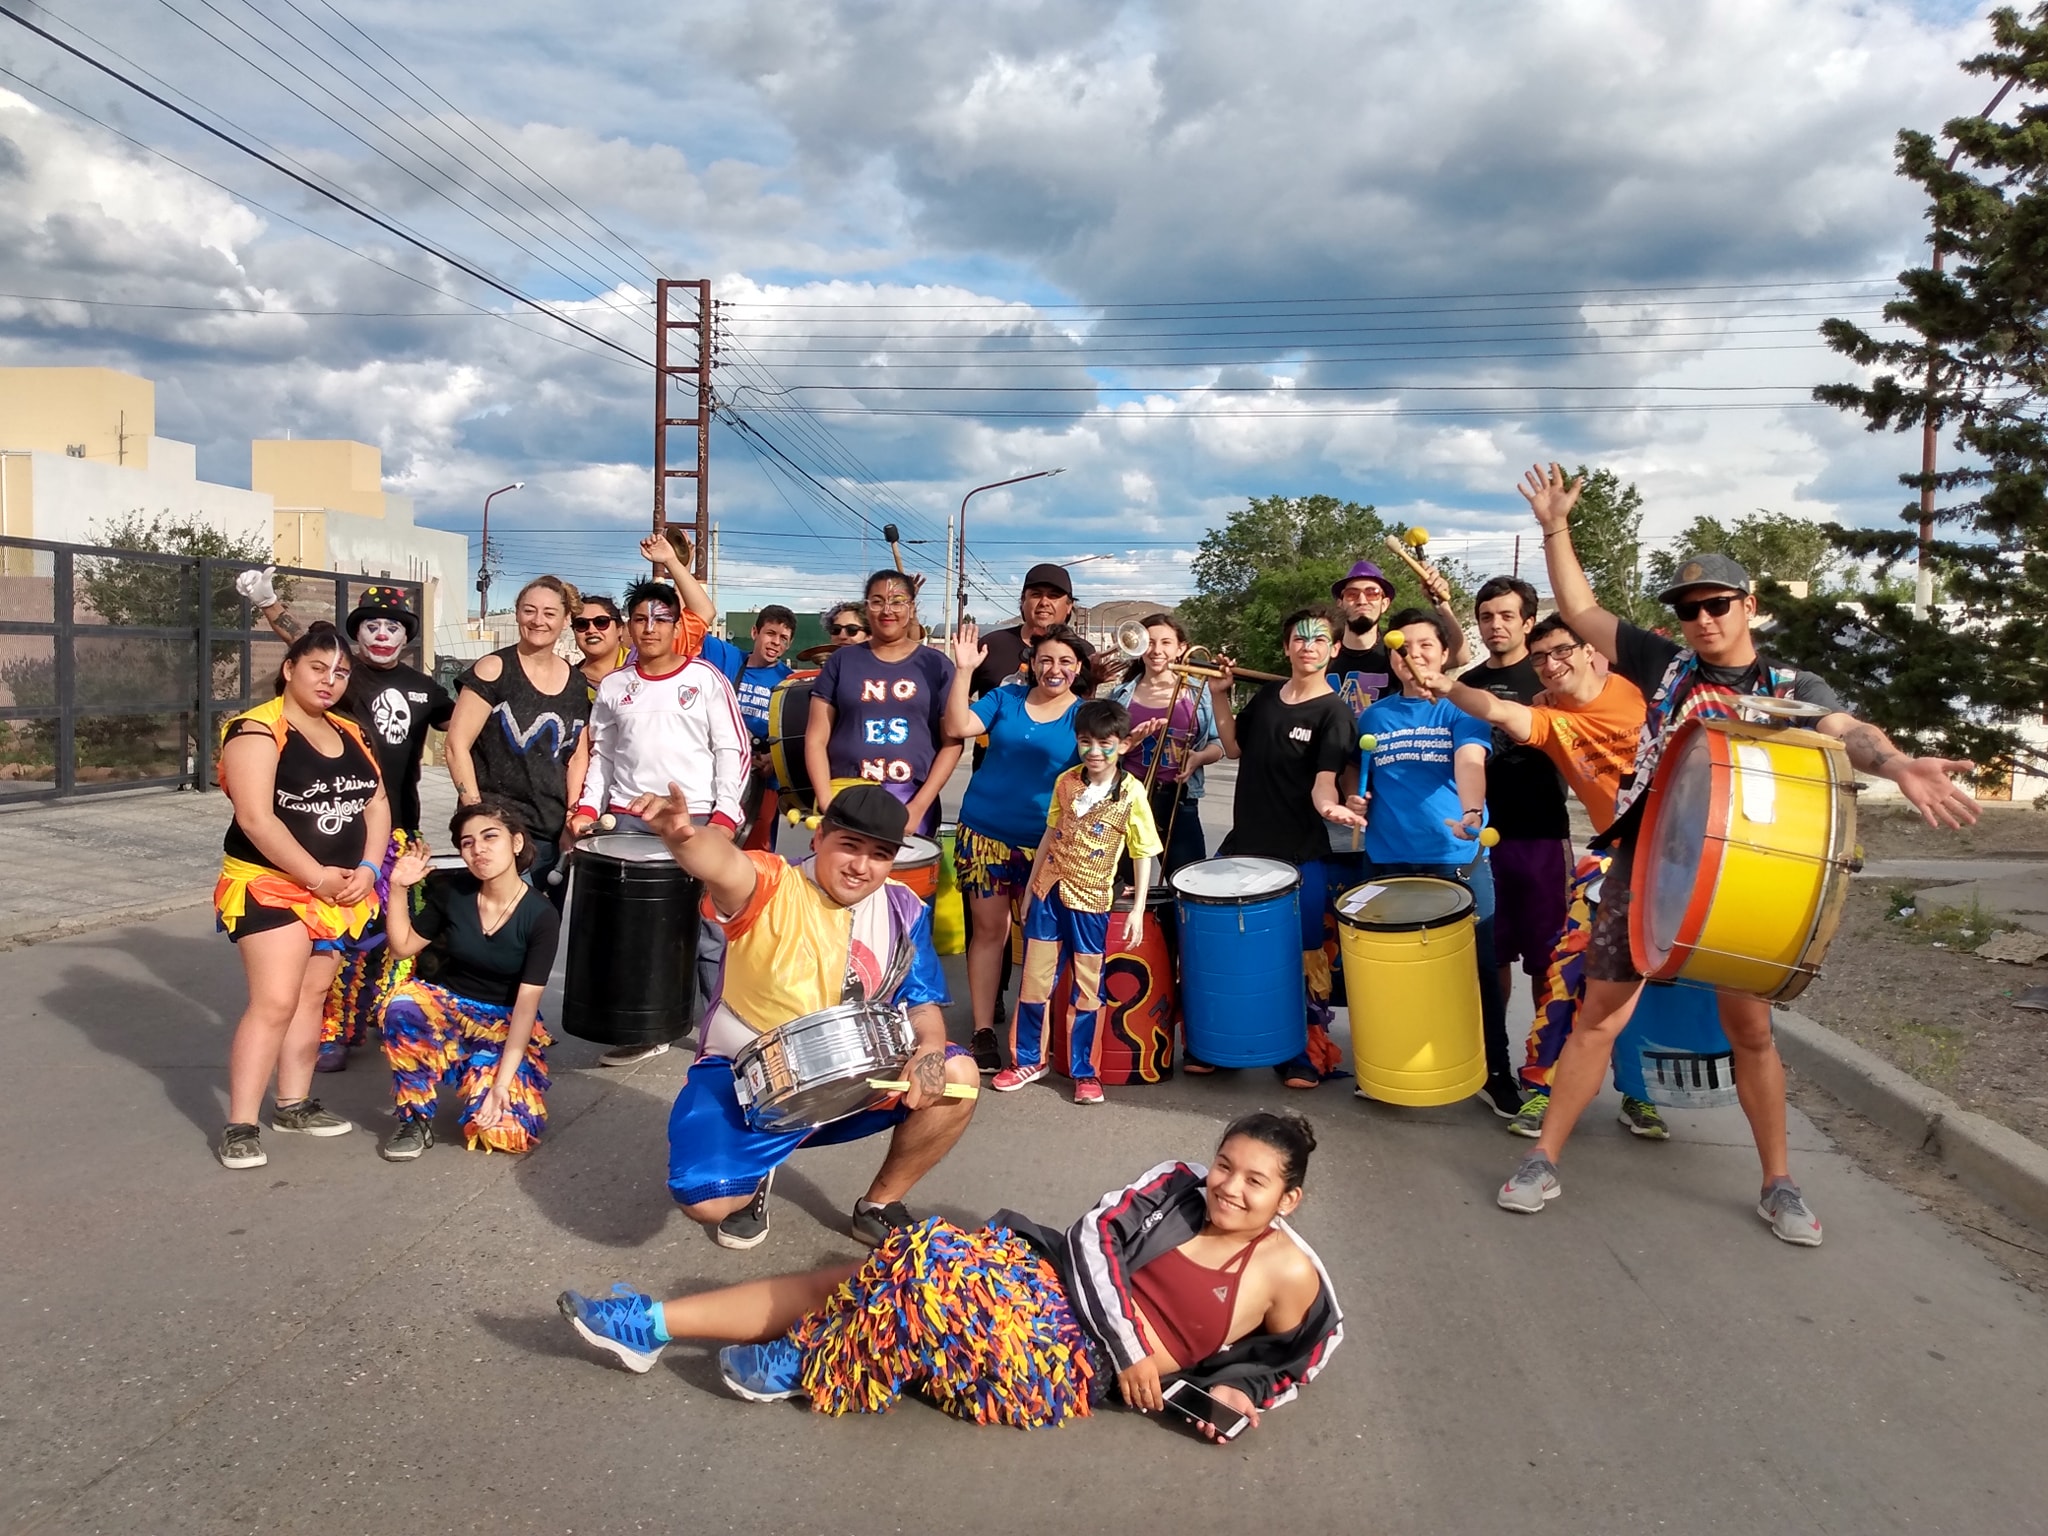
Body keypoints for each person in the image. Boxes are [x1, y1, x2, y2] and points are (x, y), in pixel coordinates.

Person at [1498, 463, 1981, 1245]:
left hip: (1733, 880)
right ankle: (1544, 1158)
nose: (1701, 618)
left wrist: (1895, 765)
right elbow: (1581, 610)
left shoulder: (1789, 684)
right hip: (1643, 864)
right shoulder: (1664, 665)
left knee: (1750, 1032)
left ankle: (1779, 1182)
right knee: (1597, 1021)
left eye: (1716, 604)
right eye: (1688, 608)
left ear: (1748, 605)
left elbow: (1845, 733)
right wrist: (1555, 527)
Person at [556, 1110, 1342, 1438]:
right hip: (1042, 1288)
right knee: (871, 1271)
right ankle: (653, 1326)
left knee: (922, 1267)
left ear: (1288, 1198)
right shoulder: (1175, 1182)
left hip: (1063, 1366)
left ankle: (809, 1359)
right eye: (1225, 1165)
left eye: (1255, 1182)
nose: (1229, 1188)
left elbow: (1308, 1352)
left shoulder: (1286, 1272)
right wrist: (1137, 1340)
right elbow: (1095, 1243)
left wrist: (1245, 1390)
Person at [635, 781, 978, 1251]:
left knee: (960, 1077)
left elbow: (921, 1002)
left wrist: (932, 1052)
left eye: (879, 854)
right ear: (819, 839)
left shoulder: (903, 907)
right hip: (746, 1074)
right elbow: (725, 864)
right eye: (849, 846)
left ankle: (879, 1204)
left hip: (858, 1072)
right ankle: (752, 1180)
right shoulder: (772, 882)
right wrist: (684, 838)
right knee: (707, 1201)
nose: (861, 866)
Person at [1417, 613, 1664, 1137]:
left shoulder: (1642, 689)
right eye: (1541, 658)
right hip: (1614, 860)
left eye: (1562, 651)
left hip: (1679, 859)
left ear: (1590, 650)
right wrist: (1446, 686)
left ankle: (1641, 1096)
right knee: (1567, 972)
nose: (1552, 665)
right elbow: (1499, 710)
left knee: (1657, 986)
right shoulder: (1548, 714)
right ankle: (1542, 1089)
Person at [236, 573, 457, 1072]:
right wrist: (270, 603)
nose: (382, 634)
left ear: (407, 636)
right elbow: (301, 643)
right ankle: (332, 1031)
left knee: (399, 936)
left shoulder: (426, 689)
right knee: (336, 942)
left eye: (393, 626)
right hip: (336, 837)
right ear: (357, 634)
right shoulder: (342, 677)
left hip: (401, 834)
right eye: (372, 625)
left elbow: (468, 725)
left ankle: (388, 1014)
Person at [212, 623, 389, 1169]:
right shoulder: (256, 730)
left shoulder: (350, 731)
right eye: (318, 668)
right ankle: (240, 1124)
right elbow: (257, 820)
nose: (329, 681)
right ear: (290, 669)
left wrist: (366, 866)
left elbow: (376, 804)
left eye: (340, 673)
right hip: (268, 883)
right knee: (275, 1000)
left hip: (336, 888)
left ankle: (293, 1103)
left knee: (313, 994)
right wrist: (316, 877)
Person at [568, 578, 750, 1066]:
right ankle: (651, 1026)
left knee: (711, 930)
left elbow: (731, 749)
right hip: (629, 824)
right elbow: (602, 755)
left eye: (661, 618)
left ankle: (724, 1031)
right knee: (644, 934)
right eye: (640, 619)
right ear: (628, 628)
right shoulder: (613, 686)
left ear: (677, 625)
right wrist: (588, 807)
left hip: (696, 820)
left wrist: (725, 816)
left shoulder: (706, 679)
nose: (649, 627)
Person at [1354, 607, 1521, 1119]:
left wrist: (1472, 811)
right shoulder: (1374, 718)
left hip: (1459, 861)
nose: (1415, 657)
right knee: (1397, 979)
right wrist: (1353, 800)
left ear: (1444, 653)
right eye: (1405, 649)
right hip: (1389, 864)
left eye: (1426, 646)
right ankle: (1395, 1070)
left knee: (1478, 973)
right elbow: (1361, 784)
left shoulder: (1460, 710)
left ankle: (1495, 1073)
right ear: (1393, 658)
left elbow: (1470, 762)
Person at [1204, 607, 1366, 1088]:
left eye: (1319, 640)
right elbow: (1233, 747)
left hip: (1300, 853)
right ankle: (1223, 1042)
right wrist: (1220, 697)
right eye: (1299, 638)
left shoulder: (1335, 713)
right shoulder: (1269, 698)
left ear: (1334, 650)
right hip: (1243, 846)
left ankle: (1301, 1053)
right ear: (1287, 647)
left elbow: (1323, 784)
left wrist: (1331, 807)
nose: (1308, 646)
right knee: (1229, 953)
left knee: (1303, 956)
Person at [941, 619, 1091, 1074]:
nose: (1054, 668)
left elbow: (1099, 771)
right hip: (985, 834)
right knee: (989, 933)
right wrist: (962, 670)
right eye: (1045, 659)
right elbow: (957, 723)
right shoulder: (1003, 699)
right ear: (1030, 662)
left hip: (1046, 845)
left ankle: (1034, 1037)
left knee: (1042, 941)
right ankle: (984, 1031)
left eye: (1065, 661)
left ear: (1077, 667)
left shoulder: (1082, 715)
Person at [995, 698, 1162, 1105]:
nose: (1094, 752)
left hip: (1092, 901)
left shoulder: (1132, 793)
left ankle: (1087, 1071)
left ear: (1122, 745)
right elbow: (1050, 835)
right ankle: (1028, 1060)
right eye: (1085, 741)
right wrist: (1033, 891)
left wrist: (1138, 908)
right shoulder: (1066, 781)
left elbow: (1143, 853)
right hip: (1049, 894)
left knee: (1089, 990)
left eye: (1105, 743)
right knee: (1034, 982)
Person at [376, 797, 560, 1161]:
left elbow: (525, 1009)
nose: (478, 850)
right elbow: (401, 948)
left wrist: (501, 1086)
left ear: (516, 842)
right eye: (467, 842)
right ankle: (414, 1117)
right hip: (449, 1006)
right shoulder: (453, 892)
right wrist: (397, 888)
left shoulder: (541, 915)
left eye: (490, 837)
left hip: (502, 1022)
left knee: (503, 1133)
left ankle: (482, 1075)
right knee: (402, 1007)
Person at [1460, 576, 1571, 1025]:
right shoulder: (1467, 684)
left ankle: (1545, 1063)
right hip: (1483, 843)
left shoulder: (1549, 679)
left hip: (1542, 835)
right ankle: (1495, 1056)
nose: (1495, 625)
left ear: (1528, 622)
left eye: (1507, 616)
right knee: (1491, 956)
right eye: (1486, 617)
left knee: (1550, 960)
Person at [445, 575, 591, 906]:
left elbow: (577, 756)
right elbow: (456, 745)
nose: (538, 620)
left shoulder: (575, 682)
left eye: (550, 613)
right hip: (501, 830)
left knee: (542, 933)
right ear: (517, 613)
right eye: (529, 610)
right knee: (501, 929)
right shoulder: (494, 669)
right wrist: (476, 815)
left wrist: (572, 815)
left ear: (566, 619)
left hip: (551, 832)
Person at [804, 569, 960, 837]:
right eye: (877, 601)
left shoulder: (937, 665)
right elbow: (816, 738)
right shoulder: (842, 661)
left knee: (906, 878)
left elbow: (953, 741)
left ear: (911, 608)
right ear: (867, 607)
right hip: (845, 795)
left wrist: (919, 807)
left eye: (898, 601)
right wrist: (827, 800)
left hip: (909, 798)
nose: (887, 610)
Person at [1107, 612, 1225, 881]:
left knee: (1188, 884)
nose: (1157, 650)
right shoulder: (1121, 695)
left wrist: (1199, 758)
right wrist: (1128, 743)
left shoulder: (1200, 693)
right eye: (1149, 642)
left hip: (1179, 801)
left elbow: (1220, 744)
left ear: (1181, 648)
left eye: (1166, 643)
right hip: (1128, 798)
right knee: (1122, 886)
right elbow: (1104, 752)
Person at [1326, 555, 1468, 724]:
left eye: (1372, 593)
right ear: (1340, 603)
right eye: (1352, 594)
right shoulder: (1323, 652)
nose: (1362, 600)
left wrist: (1441, 603)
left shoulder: (1397, 652)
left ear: (1385, 604)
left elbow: (1460, 657)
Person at [572, 594, 628, 699]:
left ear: (619, 629)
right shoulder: (568, 683)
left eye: (601, 622)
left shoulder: (642, 665)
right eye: (581, 624)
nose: (591, 630)